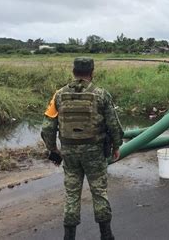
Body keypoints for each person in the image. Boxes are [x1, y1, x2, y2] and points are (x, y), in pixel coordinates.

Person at [41, 57, 124, 240]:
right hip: (95, 153)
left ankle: (69, 237)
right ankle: (106, 236)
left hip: (69, 153)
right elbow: (114, 126)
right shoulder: (101, 94)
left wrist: (53, 150)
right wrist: (117, 146)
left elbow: (47, 127)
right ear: (92, 72)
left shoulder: (59, 95)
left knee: (72, 195)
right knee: (99, 193)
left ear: (73, 71)